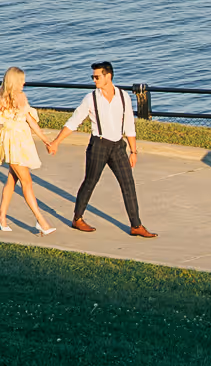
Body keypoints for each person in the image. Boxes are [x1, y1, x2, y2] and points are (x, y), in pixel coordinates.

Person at [47, 60, 158, 238]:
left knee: (128, 183)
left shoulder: (123, 97)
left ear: (108, 76)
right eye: (93, 77)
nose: (94, 80)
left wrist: (133, 151)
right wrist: (56, 141)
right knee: (90, 182)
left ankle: (136, 225)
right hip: (98, 145)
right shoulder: (90, 99)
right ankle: (77, 218)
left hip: (117, 147)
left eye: (97, 76)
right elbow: (74, 122)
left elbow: (129, 125)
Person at [0, 67, 55, 235]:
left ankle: (1, 215)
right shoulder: (2, 100)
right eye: (21, 80)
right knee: (27, 182)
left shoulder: (22, 97)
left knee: (12, 180)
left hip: (23, 142)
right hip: (11, 143)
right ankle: (41, 221)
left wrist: (46, 141)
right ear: (14, 81)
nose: (24, 82)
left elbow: (31, 121)